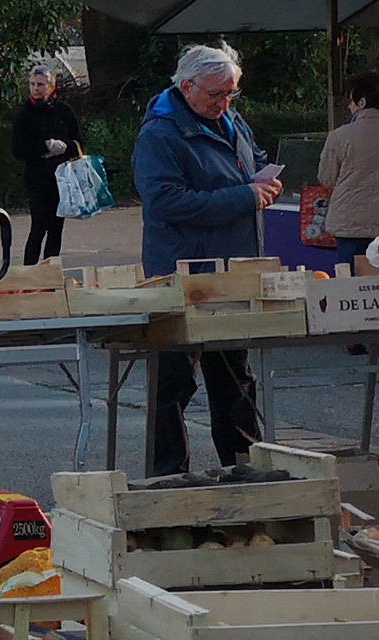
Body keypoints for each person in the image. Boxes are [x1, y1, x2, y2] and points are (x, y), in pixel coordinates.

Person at [133, 42, 283, 476]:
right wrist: (242, 196)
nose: (224, 103)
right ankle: (169, 475)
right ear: (187, 86)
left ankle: (242, 467)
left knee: (235, 378)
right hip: (181, 271)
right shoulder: (159, 134)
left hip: (232, 271)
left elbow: (250, 162)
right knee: (174, 381)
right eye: (216, 95)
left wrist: (261, 178)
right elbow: (163, 202)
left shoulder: (231, 121)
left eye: (231, 94)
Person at [317, 72, 379, 266]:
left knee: (349, 284)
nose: (349, 106)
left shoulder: (339, 136)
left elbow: (327, 178)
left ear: (361, 102)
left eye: (351, 101)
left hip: (349, 224)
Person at [11, 64, 82, 265]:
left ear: (51, 87)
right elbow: (18, 150)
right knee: (39, 225)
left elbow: (78, 143)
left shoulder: (64, 111)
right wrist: (44, 146)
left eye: (41, 84)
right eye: (33, 84)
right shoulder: (24, 114)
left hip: (61, 177)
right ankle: (29, 272)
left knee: (57, 227)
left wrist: (65, 146)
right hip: (37, 178)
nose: (36, 88)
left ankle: (50, 271)